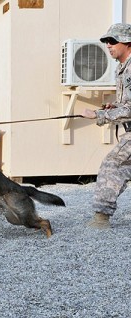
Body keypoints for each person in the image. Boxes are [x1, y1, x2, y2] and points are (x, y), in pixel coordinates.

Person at [81, 23, 131, 228]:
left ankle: (101, 219)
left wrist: (99, 114)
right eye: (106, 42)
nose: (108, 45)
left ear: (127, 42)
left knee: (112, 165)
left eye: (112, 41)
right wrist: (114, 106)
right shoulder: (123, 67)